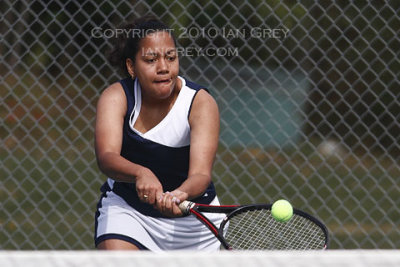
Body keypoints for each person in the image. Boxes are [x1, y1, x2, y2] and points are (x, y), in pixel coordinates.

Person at [94, 15, 224, 251]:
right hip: (129, 212)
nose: (164, 67)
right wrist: (140, 173)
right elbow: (107, 157)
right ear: (131, 67)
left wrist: (180, 195)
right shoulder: (116, 97)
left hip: (194, 222)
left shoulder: (200, 103)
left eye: (170, 57)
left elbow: (201, 175)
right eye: (151, 59)